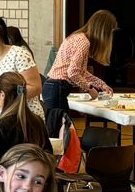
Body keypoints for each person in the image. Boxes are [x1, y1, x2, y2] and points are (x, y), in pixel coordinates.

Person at [43, 10, 117, 141]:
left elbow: (80, 71)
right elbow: (73, 73)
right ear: (103, 30)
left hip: (52, 86)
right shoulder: (84, 42)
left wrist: (101, 84)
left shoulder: (77, 37)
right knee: (61, 133)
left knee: (57, 130)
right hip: (57, 87)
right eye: (110, 32)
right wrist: (90, 89)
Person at [0, 72, 50, 177]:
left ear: (2, 94)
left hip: (4, 185)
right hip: (33, 179)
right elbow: (48, 154)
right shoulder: (38, 121)